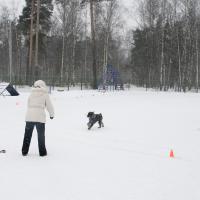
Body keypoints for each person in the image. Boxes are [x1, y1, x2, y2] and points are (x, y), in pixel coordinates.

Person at [22, 80, 54, 156]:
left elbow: (28, 104)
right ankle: (42, 152)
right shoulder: (45, 94)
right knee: (41, 136)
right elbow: (49, 105)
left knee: (27, 135)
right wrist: (51, 114)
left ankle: (24, 151)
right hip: (40, 117)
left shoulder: (31, 93)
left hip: (29, 117)